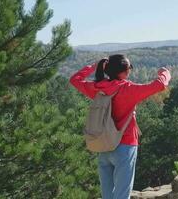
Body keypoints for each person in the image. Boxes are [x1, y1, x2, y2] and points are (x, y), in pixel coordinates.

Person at [69, 54, 171, 199]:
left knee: (107, 195)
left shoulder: (98, 87)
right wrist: (164, 73)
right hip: (125, 145)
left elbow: (75, 80)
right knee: (122, 195)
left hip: (103, 144)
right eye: (129, 67)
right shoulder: (128, 89)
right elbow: (160, 85)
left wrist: (94, 65)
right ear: (124, 71)